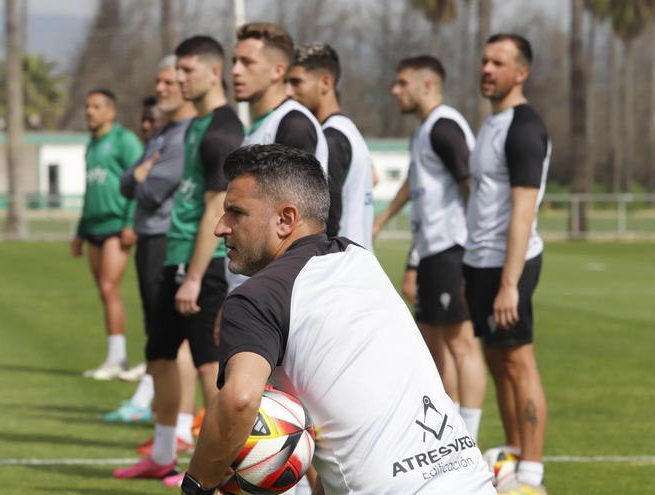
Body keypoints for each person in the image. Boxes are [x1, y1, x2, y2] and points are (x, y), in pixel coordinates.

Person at [178, 144, 494, 495]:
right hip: (472, 481)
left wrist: (197, 485)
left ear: (286, 219)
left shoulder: (258, 297)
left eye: (235, 213)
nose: (221, 227)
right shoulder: (360, 261)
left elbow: (239, 399)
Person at [112, 35, 243, 485]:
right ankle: (164, 453)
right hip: (174, 255)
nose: (179, 78)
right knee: (160, 356)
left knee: (209, 363)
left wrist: (195, 276)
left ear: (214, 72)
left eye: (187, 70)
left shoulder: (223, 130)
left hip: (198, 264)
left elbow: (215, 207)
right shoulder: (194, 126)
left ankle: (222, 467)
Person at [373, 55, 487, 442]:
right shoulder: (423, 131)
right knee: (430, 341)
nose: (395, 90)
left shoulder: (445, 127)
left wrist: (476, 247)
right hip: (432, 251)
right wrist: (383, 220)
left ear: (427, 85)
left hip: (453, 249)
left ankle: (467, 438)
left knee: (460, 343)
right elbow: (414, 182)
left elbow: (470, 180)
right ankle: (448, 426)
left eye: (402, 83)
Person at [464, 34, 551, 495]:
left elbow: (522, 210)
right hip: (480, 264)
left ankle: (532, 475)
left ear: (521, 73)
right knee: (498, 364)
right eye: (484, 60)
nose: (487, 69)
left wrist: (510, 283)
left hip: (509, 266)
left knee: (519, 363)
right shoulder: (490, 123)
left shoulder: (524, 127)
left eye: (498, 63)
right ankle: (515, 456)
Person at [102, 56, 199, 444]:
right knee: (158, 336)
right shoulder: (161, 134)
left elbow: (153, 189)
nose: (159, 88)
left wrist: (140, 178)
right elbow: (127, 183)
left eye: (166, 81)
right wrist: (139, 177)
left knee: (178, 339)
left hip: (167, 240)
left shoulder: (183, 135)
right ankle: (166, 428)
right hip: (151, 239)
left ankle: (180, 427)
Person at [228, 21, 329, 292]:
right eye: (234, 61)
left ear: (278, 70)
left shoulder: (293, 125)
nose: (235, 70)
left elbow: (293, 225)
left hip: (282, 289)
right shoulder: (260, 125)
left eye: (247, 62)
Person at [71, 88, 144, 380]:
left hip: (117, 225)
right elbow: (90, 190)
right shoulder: (91, 144)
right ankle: (115, 355)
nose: (90, 112)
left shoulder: (124, 141)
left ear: (111, 111)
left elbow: (139, 181)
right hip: (94, 228)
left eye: (97, 106)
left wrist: (130, 222)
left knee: (109, 287)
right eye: (87, 106)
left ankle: (118, 359)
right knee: (104, 291)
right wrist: (79, 230)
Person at [286, 42, 374, 250]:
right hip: (357, 259)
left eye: (297, 82)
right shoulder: (348, 130)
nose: (289, 91)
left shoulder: (331, 139)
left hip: (341, 266)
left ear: (325, 82)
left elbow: (328, 218)